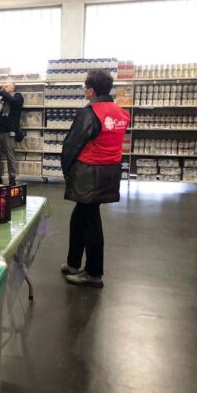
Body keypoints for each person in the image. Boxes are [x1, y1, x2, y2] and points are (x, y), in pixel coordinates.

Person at [60, 69, 130, 288]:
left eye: (84, 88)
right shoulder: (121, 112)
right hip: (110, 170)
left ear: (90, 91)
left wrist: (66, 169)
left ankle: (93, 273)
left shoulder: (90, 113)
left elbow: (72, 145)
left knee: (90, 222)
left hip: (89, 172)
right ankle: (73, 263)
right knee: (80, 216)